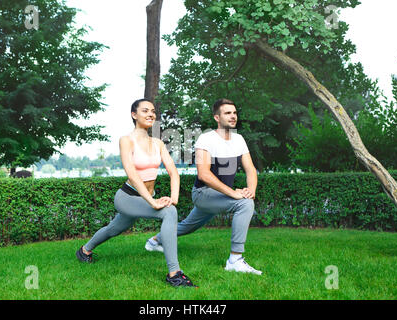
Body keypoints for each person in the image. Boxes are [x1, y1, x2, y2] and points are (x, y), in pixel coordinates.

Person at [76, 98, 197, 288]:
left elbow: (173, 171)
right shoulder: (126, 140)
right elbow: (131, 174)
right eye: (145, 111)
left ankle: (84, 251)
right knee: (169, 213)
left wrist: (173, 198)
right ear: (134, 115)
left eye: (153, 111)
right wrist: (153, 202)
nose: (151, 114)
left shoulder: (157, 142)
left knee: (113, 229)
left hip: (145, 198)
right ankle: (175, 274)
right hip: (127, 197)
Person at [146, 98, 262, 275]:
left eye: (234, 113)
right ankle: (235, 260)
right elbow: (204, 174)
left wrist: (250, 189)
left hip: (218, 196)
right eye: (227, 113)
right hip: (203, 194)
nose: (233, 116)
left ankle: (154, 241)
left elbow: (251, 169)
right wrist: (234, 193)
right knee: (244, 204)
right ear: (217, 117)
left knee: (187, 226)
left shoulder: (239, 139)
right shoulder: (205, 139)